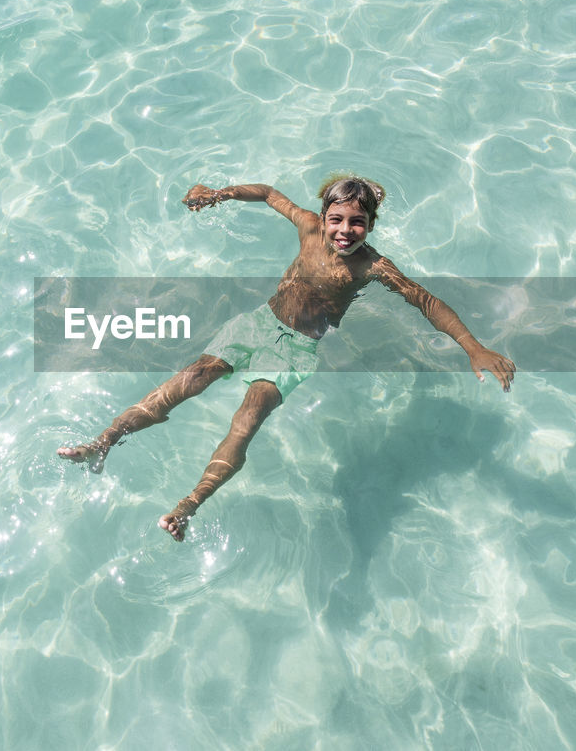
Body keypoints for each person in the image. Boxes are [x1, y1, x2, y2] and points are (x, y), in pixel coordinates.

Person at [57, 174, 515, 541]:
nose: (345, 231)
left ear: (371, 226)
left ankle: (188, 506)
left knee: (246, 420)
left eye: (357, 223)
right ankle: (102, 443)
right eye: (338, 219)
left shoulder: (373, 266)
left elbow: (427, 302)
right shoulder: (308, 227)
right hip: (256, 324)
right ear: (323, 215)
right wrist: (219, 195)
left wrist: (473, 347)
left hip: (295, 350)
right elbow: (270, 194)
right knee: (184, 383)